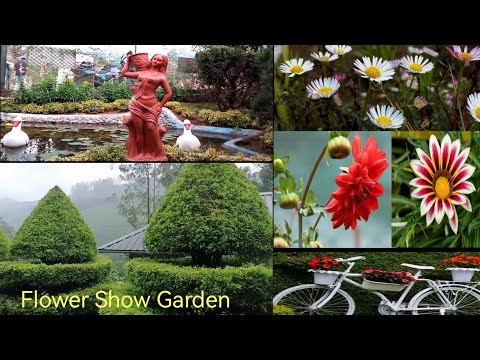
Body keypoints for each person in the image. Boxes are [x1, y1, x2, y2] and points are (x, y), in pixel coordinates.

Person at [121, 53, 172, 161]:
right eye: (154, 58)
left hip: (151, 106)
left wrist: (160, 105)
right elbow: (124, 73)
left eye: (158, 60)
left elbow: (168, 93)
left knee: (151, 129)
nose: (155, 61)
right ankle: (140, 154)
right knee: (139, 131)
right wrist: (128, 62)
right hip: (136, 105)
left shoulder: (161, 76)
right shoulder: (141, 72)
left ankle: (154, 153)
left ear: (162, 63)